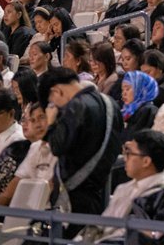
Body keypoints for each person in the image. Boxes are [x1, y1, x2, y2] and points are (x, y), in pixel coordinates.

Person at [40, 65, 121, 229]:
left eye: (52, 103)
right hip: (99, 186)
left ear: (57, 91)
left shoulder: (75, 107)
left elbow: (56, 146)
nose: (56, 107)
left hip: (73, 194)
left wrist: (50, 122)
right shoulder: (111, 103)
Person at [94, 130, 164, 240]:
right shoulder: (122, 188)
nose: (124, 158)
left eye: (129, 154)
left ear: (146, 161)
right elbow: (100, 225)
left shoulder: (162, 195)